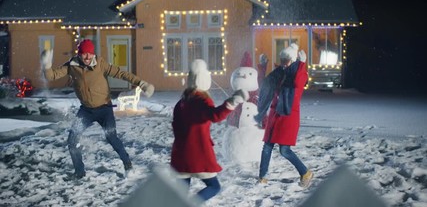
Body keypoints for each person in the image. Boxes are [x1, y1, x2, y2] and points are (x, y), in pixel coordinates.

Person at [41, 39, 155, 178]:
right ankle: (79, 173)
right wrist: (46, 65)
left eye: (90, 54)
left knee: (111, 137)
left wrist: (141, 84)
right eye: (84, 54)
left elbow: (121, 74)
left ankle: (128, 165)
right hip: (86, 111)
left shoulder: (100, 64)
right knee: (72, 141)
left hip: (104, 109)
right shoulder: (72, 65)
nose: (88, 57)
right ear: (79, 54)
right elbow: (51, 76)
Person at [170, 59, 248, 201]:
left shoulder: (181, 102)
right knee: (214, 187)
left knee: (180, 193)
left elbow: (175, 126)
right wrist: (233, 101)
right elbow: (215, 115)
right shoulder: (202, 100)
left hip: (180, 154)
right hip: (198, 153)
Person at [254, 43, 313, 188]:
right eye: (282, 59)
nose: (283, 63)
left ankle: (305, 172)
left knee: (284, 150)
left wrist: (302, 65)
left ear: (293, 60)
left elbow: (298, 84)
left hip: (288, 118)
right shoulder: (279, 73)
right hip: (275, 115)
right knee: (266, 147)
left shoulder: (299, 75)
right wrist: (263, 66)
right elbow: (265, 84)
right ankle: (262, 177)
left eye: (286, 59)